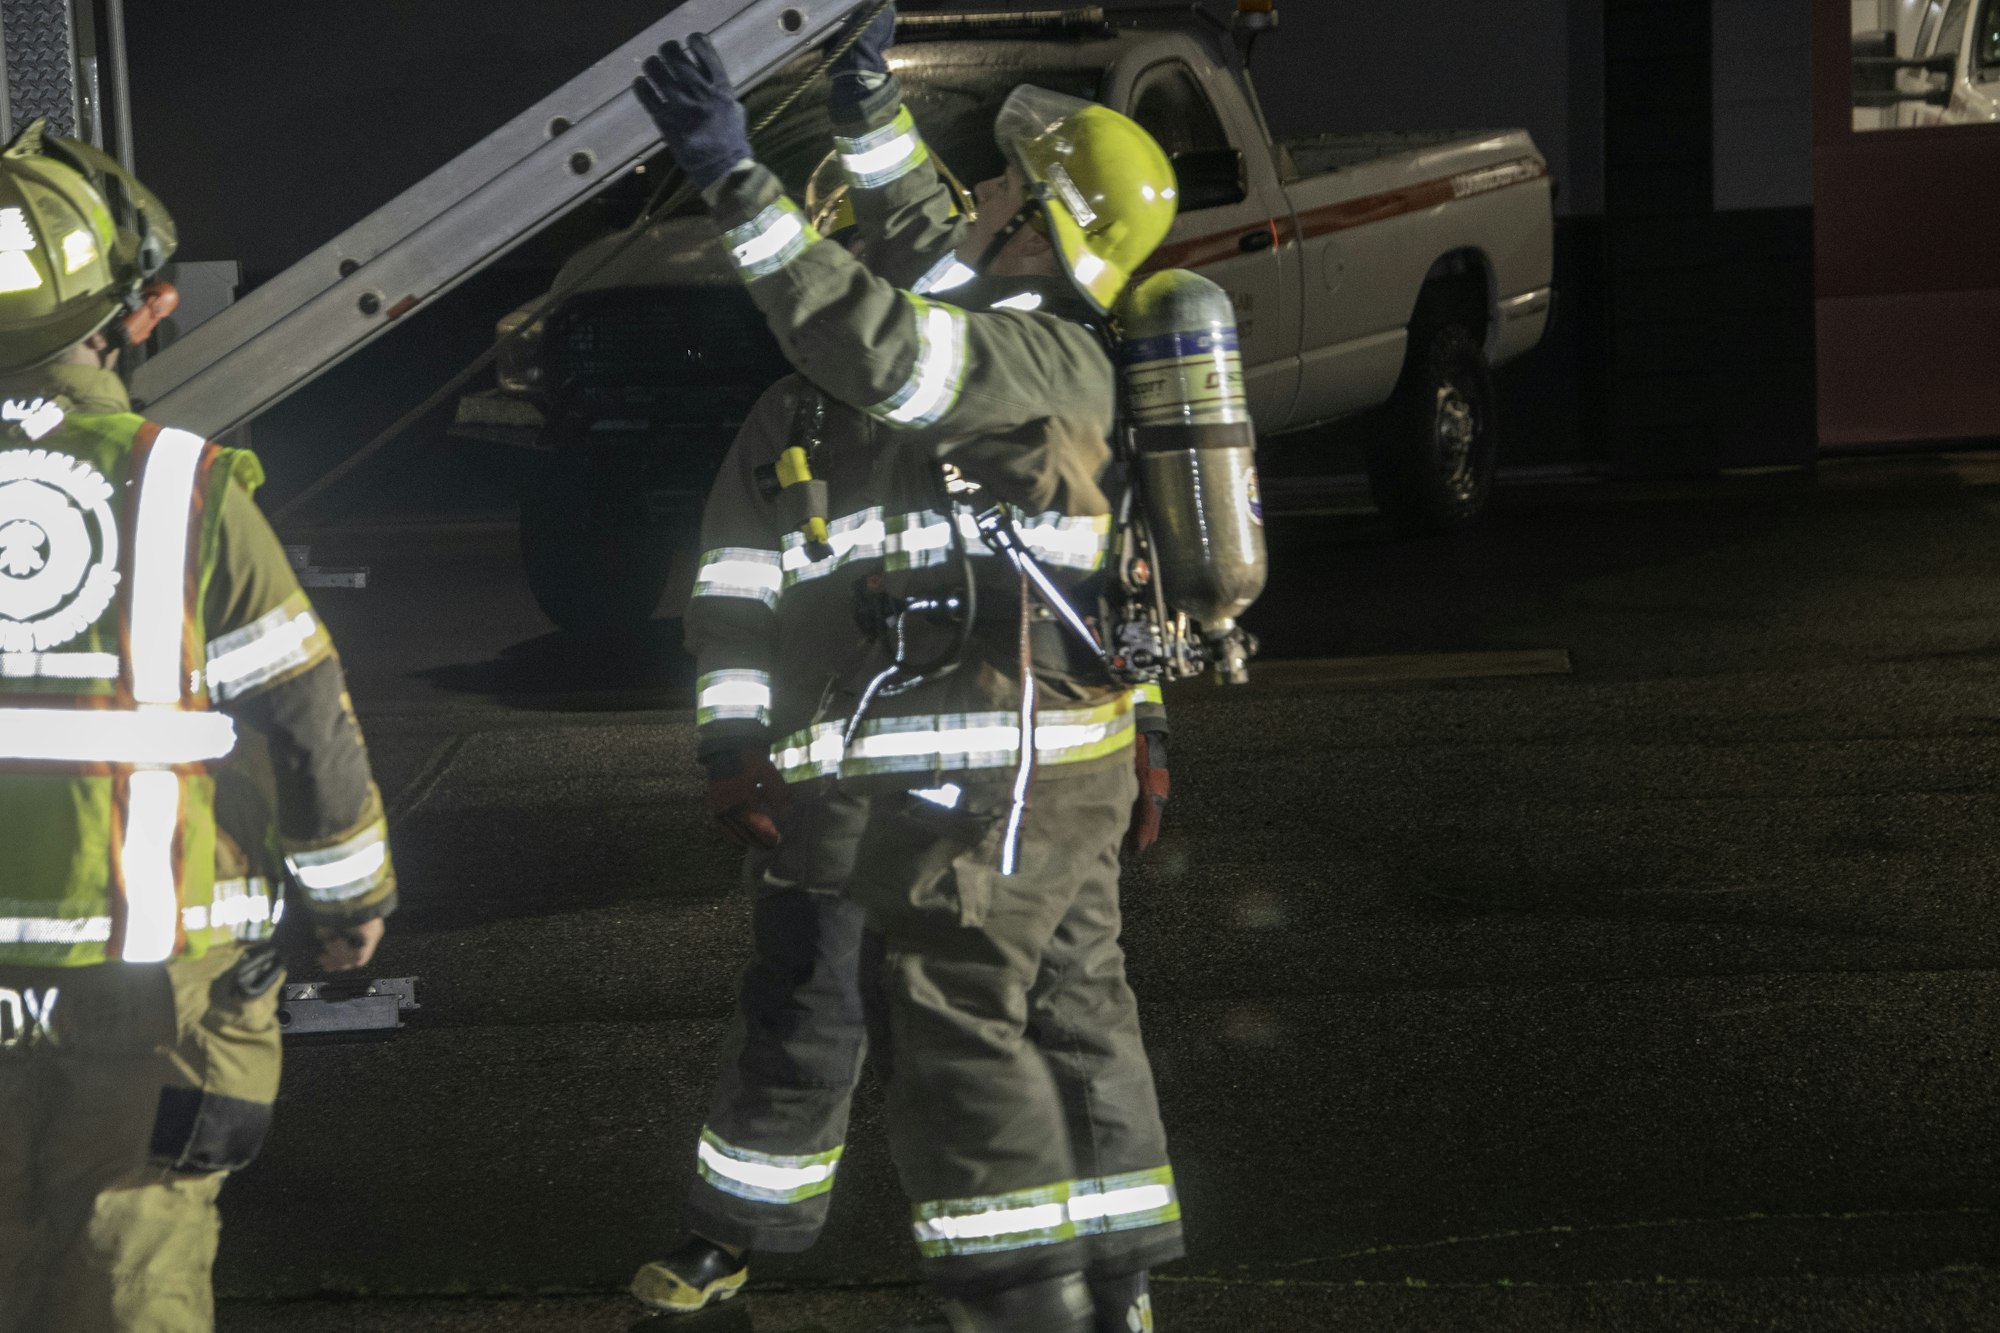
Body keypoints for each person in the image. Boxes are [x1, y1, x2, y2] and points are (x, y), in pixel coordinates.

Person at [633, 10, 1182, 1328]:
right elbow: (915, 241)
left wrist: (730, 173)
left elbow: (877, 329)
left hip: (995, 786)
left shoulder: (1013, 357)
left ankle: (1079, 1288)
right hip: (890, 772)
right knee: (825, 1009)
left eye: (1005, 184)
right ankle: (743, 1237)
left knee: (1016, 1033)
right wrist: (859, 95)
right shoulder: (990, 336)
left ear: (1043, 228)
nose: (975, 191)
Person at [0, 123, 397, 1333]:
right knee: (131, 1252)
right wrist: (350, 904)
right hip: (148, 970)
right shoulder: (183, 487)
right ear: (129, 311)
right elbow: (301, 718)